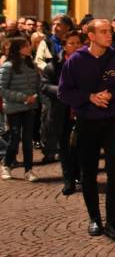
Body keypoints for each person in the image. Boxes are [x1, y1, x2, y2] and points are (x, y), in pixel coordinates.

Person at [58, 19, 115, 240]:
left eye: (109, 31)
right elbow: (64, 92)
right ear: (91, 36)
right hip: (87, 122)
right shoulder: (76, 60)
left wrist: (112, 96)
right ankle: (94, 218)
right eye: (103, 32)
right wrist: (89, 97)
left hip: (113, 121)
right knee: (88, 172)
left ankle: (112, 221)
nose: (109, 35)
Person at [40, 31, 83, 194]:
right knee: (65, 147)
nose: (75, 46)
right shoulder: (54, 65)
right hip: (62, 111)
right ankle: (68, 180)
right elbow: (44, 85)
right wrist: (61, 90)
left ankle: (80, 176)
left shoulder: (87, 61)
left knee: (81, 146)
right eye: (71, 43)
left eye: (78, 42)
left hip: (82, 110)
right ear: (64, 46)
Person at [0, 37, 42, 182]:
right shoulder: (8, 66)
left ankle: (28, 170)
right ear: (18, 49)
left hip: (29, 107)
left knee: (28, 139)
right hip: (14, 108)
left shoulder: (32, 65)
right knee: (14, 137)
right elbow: (2, 89)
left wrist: (36, 97)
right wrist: (23, 97)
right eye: (26, 45)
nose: (29, 47)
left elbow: (39, 85)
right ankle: (6, 165)